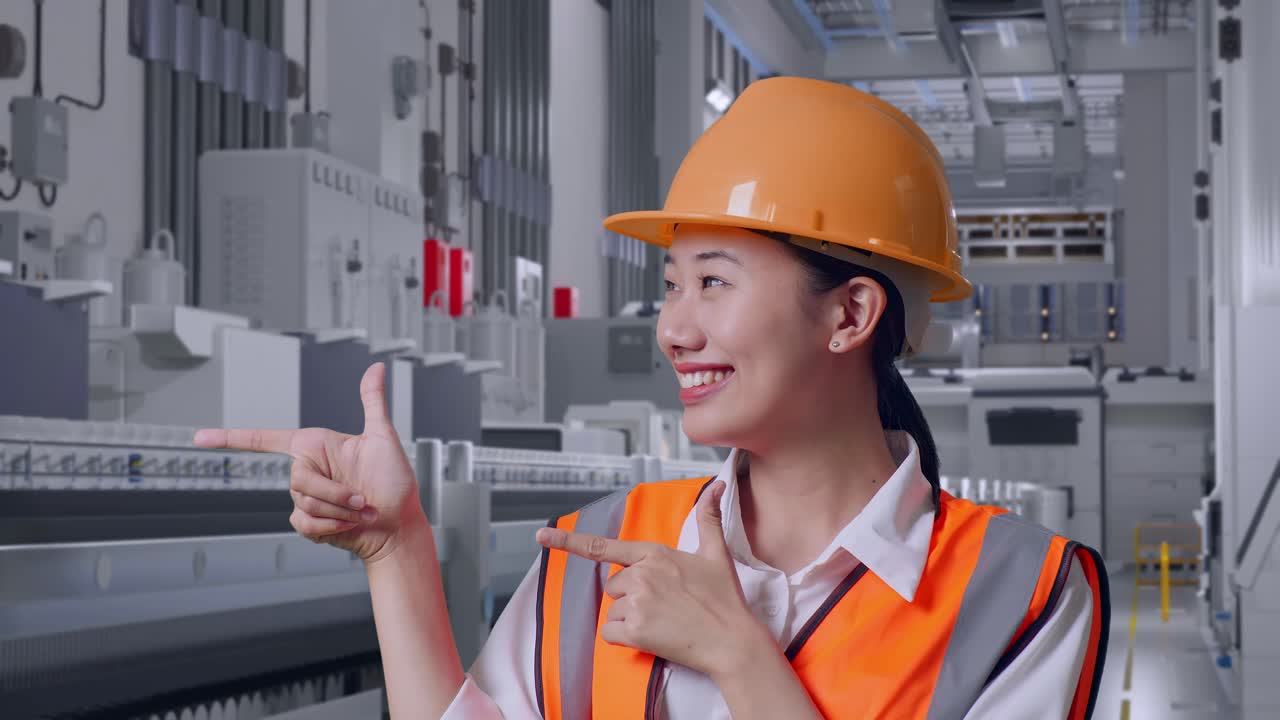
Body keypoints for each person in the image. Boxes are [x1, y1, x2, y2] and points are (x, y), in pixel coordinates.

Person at [195, 77, 1109, 719]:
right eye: (670, 284)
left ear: (850, 315)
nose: (672, 327)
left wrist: (737, 655)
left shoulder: (1020, 593)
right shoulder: (605, 547)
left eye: (713, 282)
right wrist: (396, 550)